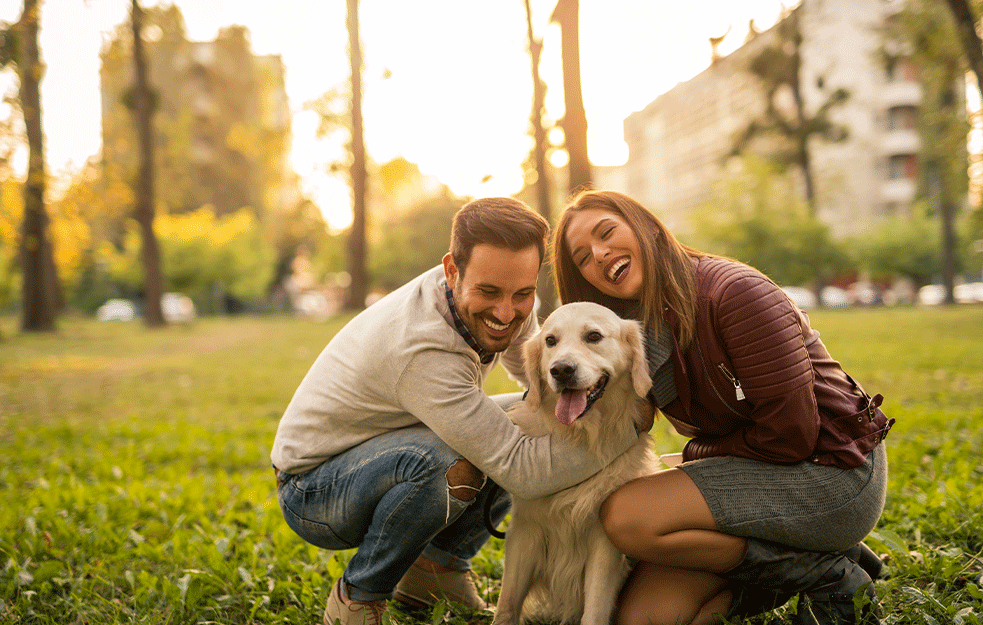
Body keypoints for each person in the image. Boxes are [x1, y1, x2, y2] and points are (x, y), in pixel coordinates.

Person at [271, 197, 640, 625]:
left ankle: (437, 570)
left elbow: (536, 393)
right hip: (315, 491)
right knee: (451, 459)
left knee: (521, 415)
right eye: (489, 292)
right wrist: (629, 426)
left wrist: (604, 398)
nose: (507, 313)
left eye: (522, 294)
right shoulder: (421, 347)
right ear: (452, 270)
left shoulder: (507, 297)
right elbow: (520, 470)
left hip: (386, 448)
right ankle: (359, 595)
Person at [552, 190, 894, 625]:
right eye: (582, 257)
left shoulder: (733, 292)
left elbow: (792, 436)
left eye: (607, 233)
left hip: (831, 474)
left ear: (649, 228)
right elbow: (622, 427)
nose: (599, 255)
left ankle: (824, 571)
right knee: (645, 619)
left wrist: (692, 459)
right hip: (757, 474)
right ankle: (790, 560)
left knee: (626, 517)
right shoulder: (628, 333)